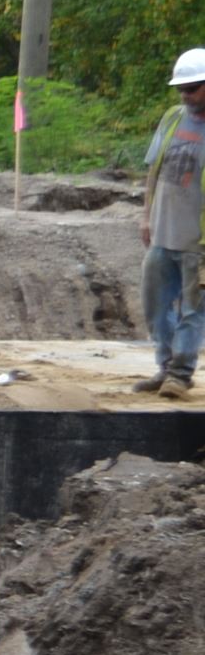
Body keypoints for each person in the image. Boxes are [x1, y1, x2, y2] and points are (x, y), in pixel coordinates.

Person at [136, 48, 205, 398]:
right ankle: (164, 368)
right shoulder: (173, 119)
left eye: (192, 88)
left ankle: (180, 373)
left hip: (199, 245)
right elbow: (154, 169)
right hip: (163, 235)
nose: (185, 95)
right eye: (182, 89)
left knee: (194, 311)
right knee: (155, 305)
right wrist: (146, 215)